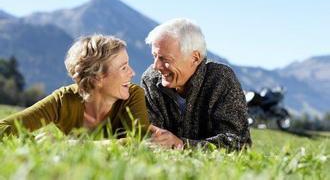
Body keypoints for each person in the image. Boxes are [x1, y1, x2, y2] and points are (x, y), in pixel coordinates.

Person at [0, 34, 150, 139]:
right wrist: (35, 141)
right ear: (97, 77)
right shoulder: (63, 100)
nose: (132, 73)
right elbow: (3, 128)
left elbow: (140, 142)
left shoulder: (133, 95)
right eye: (124, 68)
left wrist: (71, 144)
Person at [141, 18, 251, 150]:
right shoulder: (150, 79)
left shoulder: (221, 79)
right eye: (155, 56)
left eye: (165, 59)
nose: (156, 66)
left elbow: (237, 143)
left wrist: (182, 145)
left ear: (195, 58)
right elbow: (149, 139)